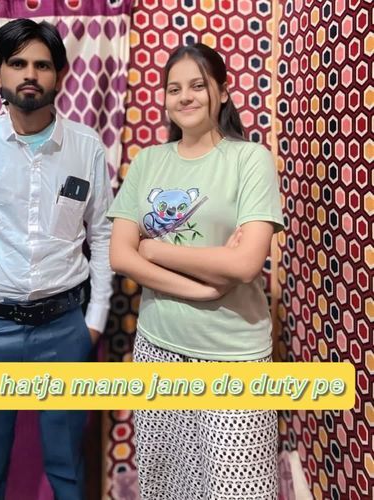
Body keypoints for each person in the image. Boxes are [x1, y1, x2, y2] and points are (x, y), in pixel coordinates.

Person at [0, 19, 113, 500]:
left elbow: (105, 235)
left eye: (42, 65)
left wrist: (93, 321)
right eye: (18, 63)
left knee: (69, 473)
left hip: (65, 329)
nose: (30, 74)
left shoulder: (87, 147)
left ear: (60, 75)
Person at [107, 43, 284, 500]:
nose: (185, 97)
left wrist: (154, 249)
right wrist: (204, 287)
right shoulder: (149, 161)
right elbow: (121, 256)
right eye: (174, 88)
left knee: (238, 489)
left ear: (222, 92)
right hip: (158, 349)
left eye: (197, 86)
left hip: (234, 355)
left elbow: (245, 264)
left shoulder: (250, 159)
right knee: (169, 487)